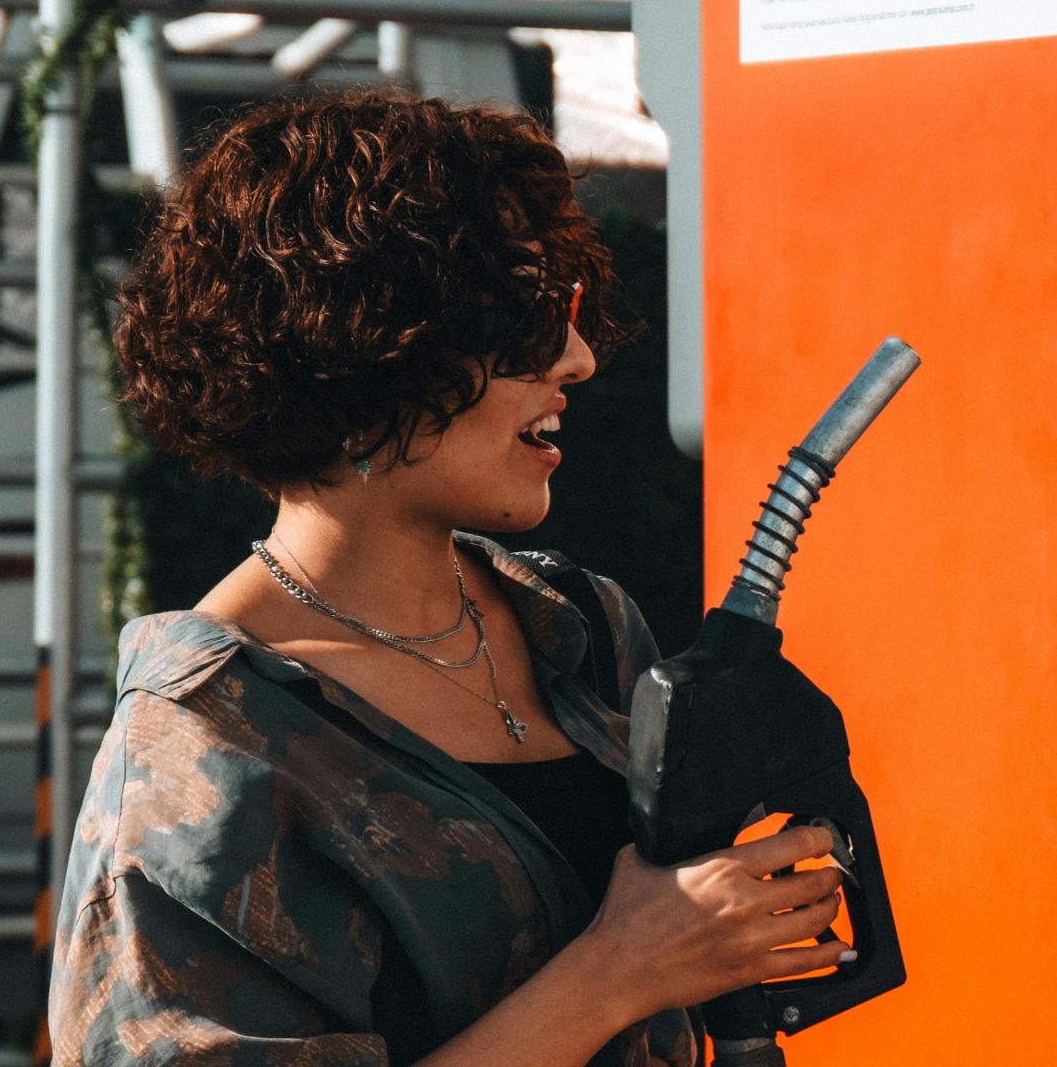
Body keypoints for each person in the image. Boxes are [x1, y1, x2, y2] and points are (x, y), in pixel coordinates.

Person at [48, 90, 851, 1066]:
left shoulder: (583, 627)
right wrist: (621, 970)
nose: (578, 357)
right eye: (523, 316)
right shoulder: (205, 742)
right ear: (355, 347)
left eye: (572, 307)